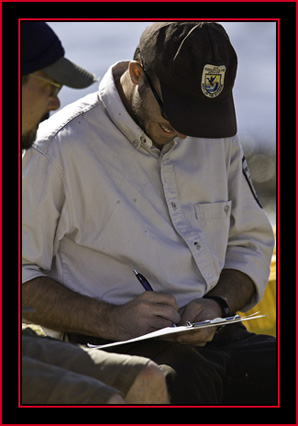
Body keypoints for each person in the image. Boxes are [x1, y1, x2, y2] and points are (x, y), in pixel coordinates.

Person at [22, 21, 276, 405]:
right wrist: (111, 319)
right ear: (137, 74)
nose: (188, 133)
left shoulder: (213, 130)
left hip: (216, 334)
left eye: (201, 115)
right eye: (177, 115)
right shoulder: (56, 147)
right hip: (111, 343)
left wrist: (218, 303)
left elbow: (251, 241)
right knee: (180, 382)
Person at [21, 21, 169, 405]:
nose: (55, 103)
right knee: (104, 401)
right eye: (49, 86)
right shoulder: (46, 151)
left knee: (149, 379)